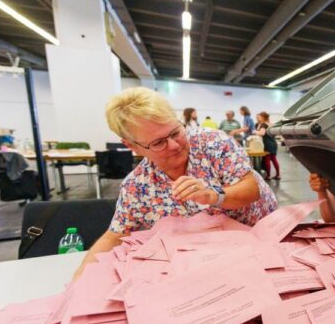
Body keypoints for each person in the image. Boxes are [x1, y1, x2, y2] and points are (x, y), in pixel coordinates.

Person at [73, 87, 277, 278]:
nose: (174, 145)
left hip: (262, 238)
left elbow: (250, 190)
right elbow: (114, 235)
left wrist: (213, 196)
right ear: (132, 146)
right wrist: (76, 285)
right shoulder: (137, 186)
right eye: (158, 142)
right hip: (213, 256)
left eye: (175, 132)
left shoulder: (212, 142)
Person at [255, 112, 280, 180]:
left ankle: (268, 175)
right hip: (273, 143)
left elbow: (262, 133)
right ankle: (278, 175)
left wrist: (254, 132)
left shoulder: (264, 124)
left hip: (268, 144)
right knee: (274, 159)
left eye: (259, 117)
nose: (258, 118)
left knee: (267, 159)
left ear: (263, 117)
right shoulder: (270, 124)